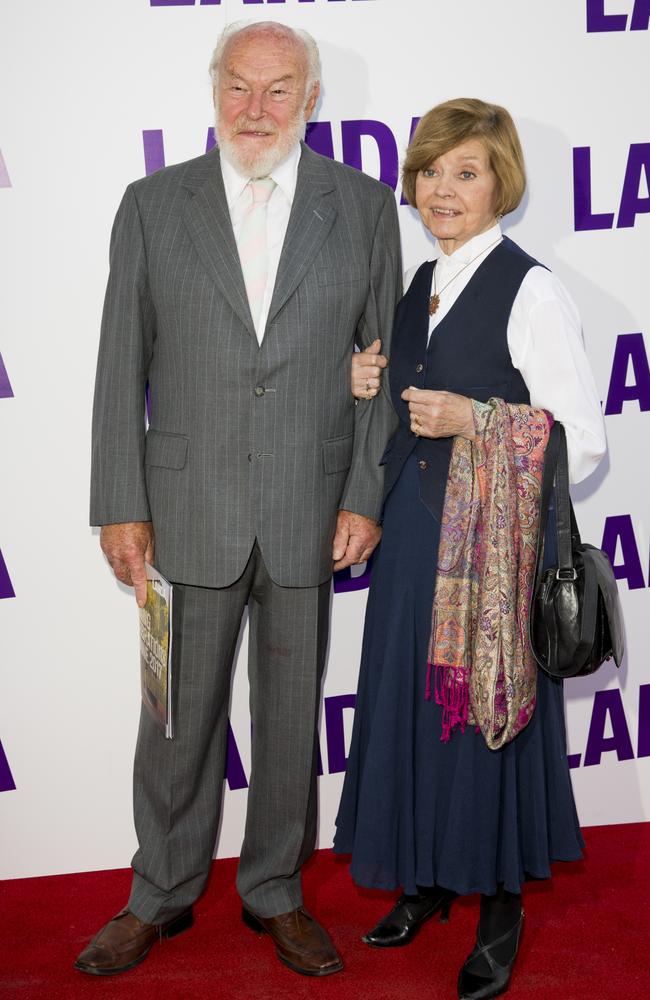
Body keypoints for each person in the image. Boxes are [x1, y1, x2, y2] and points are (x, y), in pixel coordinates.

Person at [78, 21, 401, 978]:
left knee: (291, 717)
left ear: (312, 100)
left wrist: (364, 492)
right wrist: (118, 503)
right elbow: (116, 369)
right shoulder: (151, 204)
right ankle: (159, 892)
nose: (254, 110)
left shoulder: (366, 205)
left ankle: (275, 891)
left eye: (278, 89)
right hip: (183, 510)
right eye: (238, 88)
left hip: (313, 505)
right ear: (213, 91)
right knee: (172, 718)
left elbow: (381, 362)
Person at [336, 98, 606, 999]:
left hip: (491, 559)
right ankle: (425, 879)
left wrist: (478, 419)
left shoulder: (531, 289)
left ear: (503, 185)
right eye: (431, 172)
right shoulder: (422, 283)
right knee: (418, 711)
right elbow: (402, 407)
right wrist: (364, 381)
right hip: (412, 541)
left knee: (484, 724)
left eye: (467, 171)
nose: (442, 190)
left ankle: (497, 908)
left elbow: (586, 442)